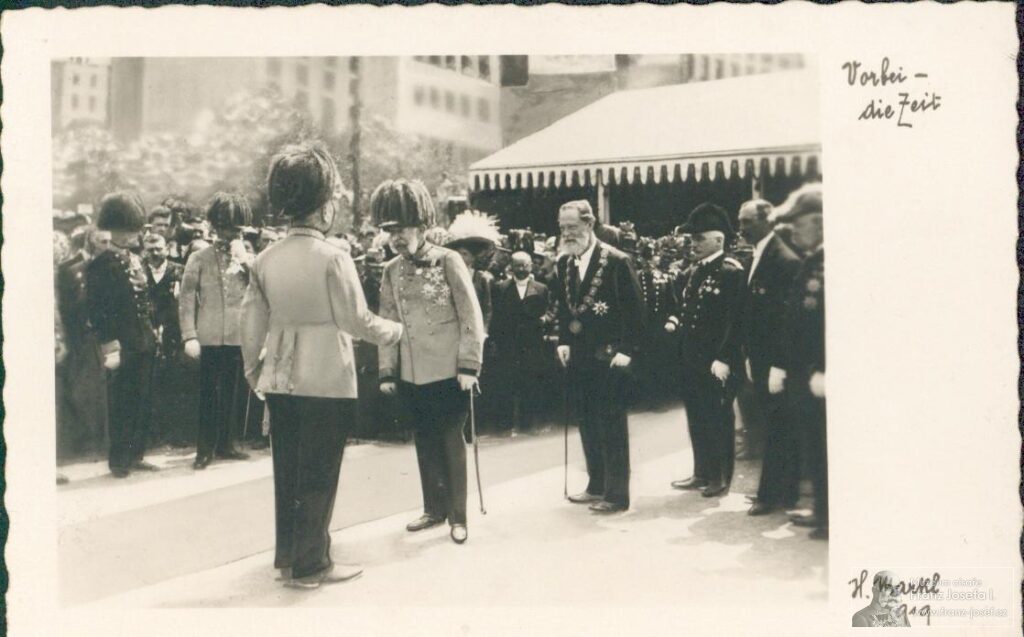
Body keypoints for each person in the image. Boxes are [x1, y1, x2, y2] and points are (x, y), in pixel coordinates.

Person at [241, 142, 403, 589]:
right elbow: (356, 320)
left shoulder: (264, 259)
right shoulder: (334, 257)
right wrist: (396, 332)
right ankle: (312, 565)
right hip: (327, 377)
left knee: (288, 473)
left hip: (279, 377)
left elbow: (250, 324)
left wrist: (254, 373)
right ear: (323, 206)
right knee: (319, 475)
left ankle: (289, 558)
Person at [374, 179, 485, 544]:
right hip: (412, 372)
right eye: (390, 231)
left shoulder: (449, 260)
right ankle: (433, 509)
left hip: (451, 372)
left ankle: (458, 515)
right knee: (424, 440)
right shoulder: (391, 270)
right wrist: (387, 371)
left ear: (420, 226)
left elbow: (470, 316)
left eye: (402, 230)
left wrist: (469, 366)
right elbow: (388, 322)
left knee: (451, 441)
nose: (396, 238)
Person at [553, 200, 645, 514]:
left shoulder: (617, 261)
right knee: (587, 421)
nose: (567, 234)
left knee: (611, 424)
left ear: (589, 224)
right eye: (562, 228)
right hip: (580, 358)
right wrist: (564, 340)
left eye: (572, 227)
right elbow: (565, 308)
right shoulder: (564, 263)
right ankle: (596, 485)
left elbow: (635, 311)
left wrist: (627, 350)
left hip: (609, 357)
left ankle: (617, 495)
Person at [664, 203, 746, 498]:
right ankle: (701, 472)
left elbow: (736, 321)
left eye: (699, 238)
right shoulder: (696, 270)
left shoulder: (730, 271)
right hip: (692, 358)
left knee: (718, 418)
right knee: (697, 417)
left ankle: (720, 476)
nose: (693, 244)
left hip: (716, 360)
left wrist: (725, 357)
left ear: (719, 239)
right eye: (691, 238)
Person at [85, 192, 160, 478]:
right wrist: (109, 345)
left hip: (144, 340)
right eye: (130, 230)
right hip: (122, 344)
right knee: (122, 402)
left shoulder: (136, 260)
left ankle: (136, 454)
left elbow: (146, 301)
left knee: (142, 400)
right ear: (116, 230)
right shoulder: (101, 265)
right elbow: (98, 310)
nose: (134, 236)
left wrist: (153, 331)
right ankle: (119, 460)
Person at [737, 199, 803, 516]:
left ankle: (772, 495)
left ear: (768, 220)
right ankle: (783, 493)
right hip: (761, 357)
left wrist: (780, 363)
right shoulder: (760, 254)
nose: (741, 228)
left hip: (776, 360)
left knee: (777, 426)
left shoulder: (783, 259)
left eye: (747, 221)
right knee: (776, 424)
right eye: (740, 221)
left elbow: (786, 320)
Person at [179, 193, 254, 469]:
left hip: (237, 335)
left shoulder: (247, 258)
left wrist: (245, 261)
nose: (232, 234)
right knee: (208, 394)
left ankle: (226, 444)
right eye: (227, 229)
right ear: (215, 227)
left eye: (236, 229)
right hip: (208, 335)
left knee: (232, 393)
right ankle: (204, 449)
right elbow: (187, 298)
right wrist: (189, 335)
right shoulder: (199, 258)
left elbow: (260, 288)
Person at [770, 185, 827, 539]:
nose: (793, 232)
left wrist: (824, 366)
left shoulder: (828, 262)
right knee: (815, 444)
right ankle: (823, 510)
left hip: (818, 374)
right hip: (805, 373)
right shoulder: (812, 260)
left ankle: (829, 516)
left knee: (825, 444)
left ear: (819, 223)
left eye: (799, 224)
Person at [490, 251, 552, 434]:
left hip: (532, 344)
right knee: (506, 384)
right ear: (511, 267)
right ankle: (506, 425)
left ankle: (528, 424)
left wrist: (544, 320)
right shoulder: (500, 288)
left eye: (525, 265)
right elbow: (495, 317)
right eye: (518, 265)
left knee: (530, 383)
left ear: (531, 266)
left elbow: (548, 312)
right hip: (508, 344)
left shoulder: (541, 288)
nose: (522, 268)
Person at [143, 232, 194, 447]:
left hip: (174, 335)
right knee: (148, 383)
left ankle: (177, 433)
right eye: (150, 250)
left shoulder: (180, 271)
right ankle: (150, 435)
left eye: (159, 249)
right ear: (144, 251)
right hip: (146, 333)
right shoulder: (138, 271)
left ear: (166, 249)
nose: (155, 253)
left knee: (175, 383)